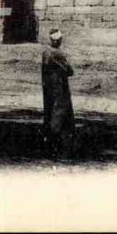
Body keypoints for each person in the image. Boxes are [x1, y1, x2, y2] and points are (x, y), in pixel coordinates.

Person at [41, 28, 75, 158]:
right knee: (60, 114)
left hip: (48, 87)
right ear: (59, 40)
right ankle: (59, 144)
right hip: (60, 88)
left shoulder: (45, 53)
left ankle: (49, 141)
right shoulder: (59, 54)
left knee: (49, 112)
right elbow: (70, 71)